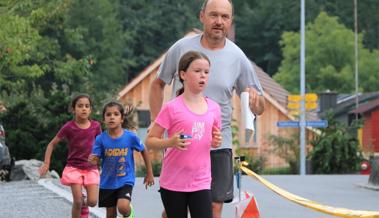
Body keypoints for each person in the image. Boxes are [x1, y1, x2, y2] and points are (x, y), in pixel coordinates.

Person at [148, 0, 265, 217]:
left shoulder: (237, 57)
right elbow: (157, 84)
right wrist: (157, 122)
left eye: (225, 17)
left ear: (231, 21)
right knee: (177, 207)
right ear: (202, 16)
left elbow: (259, 107)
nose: (219, 21)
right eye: (213, 15)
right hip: (182, 142)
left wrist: (256, 102)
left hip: (218, 143)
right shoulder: (182, 48)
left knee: (213, 206)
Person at [146, 51, 222, 218]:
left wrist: (216, 141)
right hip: (173, 182)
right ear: (183, 74)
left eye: (206, 72)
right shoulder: (172, 108)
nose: (202, 75)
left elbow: (212, 140)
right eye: (197, 71)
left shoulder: (214, 108)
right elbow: (150, 141)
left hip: (201, 181)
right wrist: (169, 143)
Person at [39, 93, 101, 218]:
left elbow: (100, 145)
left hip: (91, 169)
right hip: (74, 168)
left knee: (93, 202)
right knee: (77, 202)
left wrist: (98, 159)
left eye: (87, 106)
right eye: (80, 106)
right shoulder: (69, 127)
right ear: (73, 109)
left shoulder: (96, 126)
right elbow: (51, 144)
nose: (84, 108)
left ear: (90, 109)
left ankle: (85, 203)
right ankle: (80, 204)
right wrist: (46, 163)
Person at [88, 101, 154, 218]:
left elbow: (144, 150)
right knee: (110, 214)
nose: (112, 117)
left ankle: (129, 213)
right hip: (107, 182)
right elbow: (96, 159)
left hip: (125, 179)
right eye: (108, 115)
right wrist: (93, 161)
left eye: (116, 114)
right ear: (104, 119)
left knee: (123, 207)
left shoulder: (130, 137)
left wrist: (149, 173)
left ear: (122, 119)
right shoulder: (100, 139)